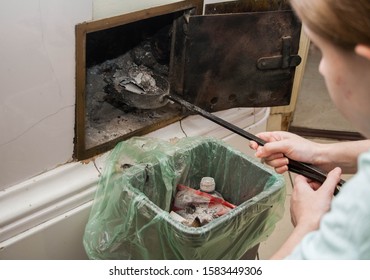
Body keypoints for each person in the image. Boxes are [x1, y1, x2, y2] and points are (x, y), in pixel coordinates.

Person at [249, 0, 370, 259]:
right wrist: (319, 155)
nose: (322, 68)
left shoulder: (361, 207)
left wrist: (308, 226)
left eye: (322, 50)